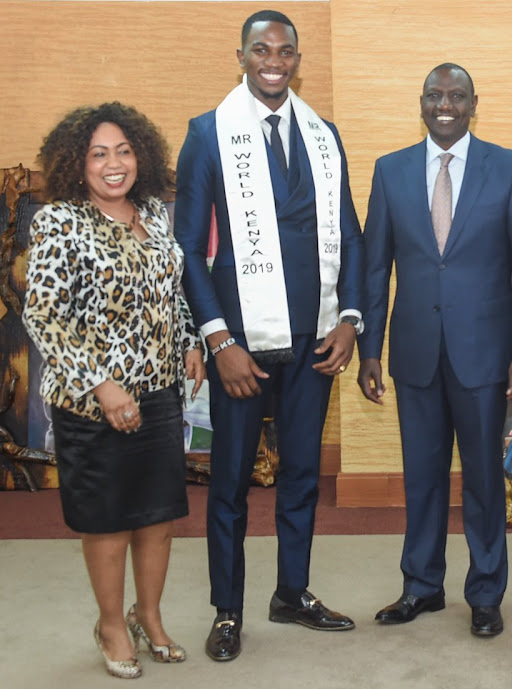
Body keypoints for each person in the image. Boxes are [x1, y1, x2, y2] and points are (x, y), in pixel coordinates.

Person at [174, 10, 364, 662]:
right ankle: (227, 609)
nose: (274, 59)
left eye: (285, 50)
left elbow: (351, 236)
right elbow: (188, 251)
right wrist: (219, 340)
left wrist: (350, 321)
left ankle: (293, 591)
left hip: (313, 342)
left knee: (303, 474)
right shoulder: (207, 135)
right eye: (262, 49)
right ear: (243, 56)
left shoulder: (323, 135)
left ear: (296, 57)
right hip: (242, 348)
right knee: (229, 482)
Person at [357, 63, 512, 638]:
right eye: (435, 95)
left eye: (456, 95)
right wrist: (370, 348)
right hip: (415, 350)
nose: (445, 103)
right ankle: (422, 586)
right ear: (421, 102)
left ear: (472, 103)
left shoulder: (509, 168)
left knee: (484, 477)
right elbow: (375, 268)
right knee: (423, 476)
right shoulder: (389, 172)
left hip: (486, 354)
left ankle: (486, 592)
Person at [23, 102, 206, 678]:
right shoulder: (59, 222)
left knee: (156, 515)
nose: (113, 163)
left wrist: (190, 340)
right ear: (78, 163)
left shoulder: (152, 212)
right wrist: (103, 385)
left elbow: (169, 292)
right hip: (90, 402)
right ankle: (109, 625)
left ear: (140, 156)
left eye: (123, 151)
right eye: (98, 153)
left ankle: (147, 616)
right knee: (108, 519)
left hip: (158, 394)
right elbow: (45, 314)